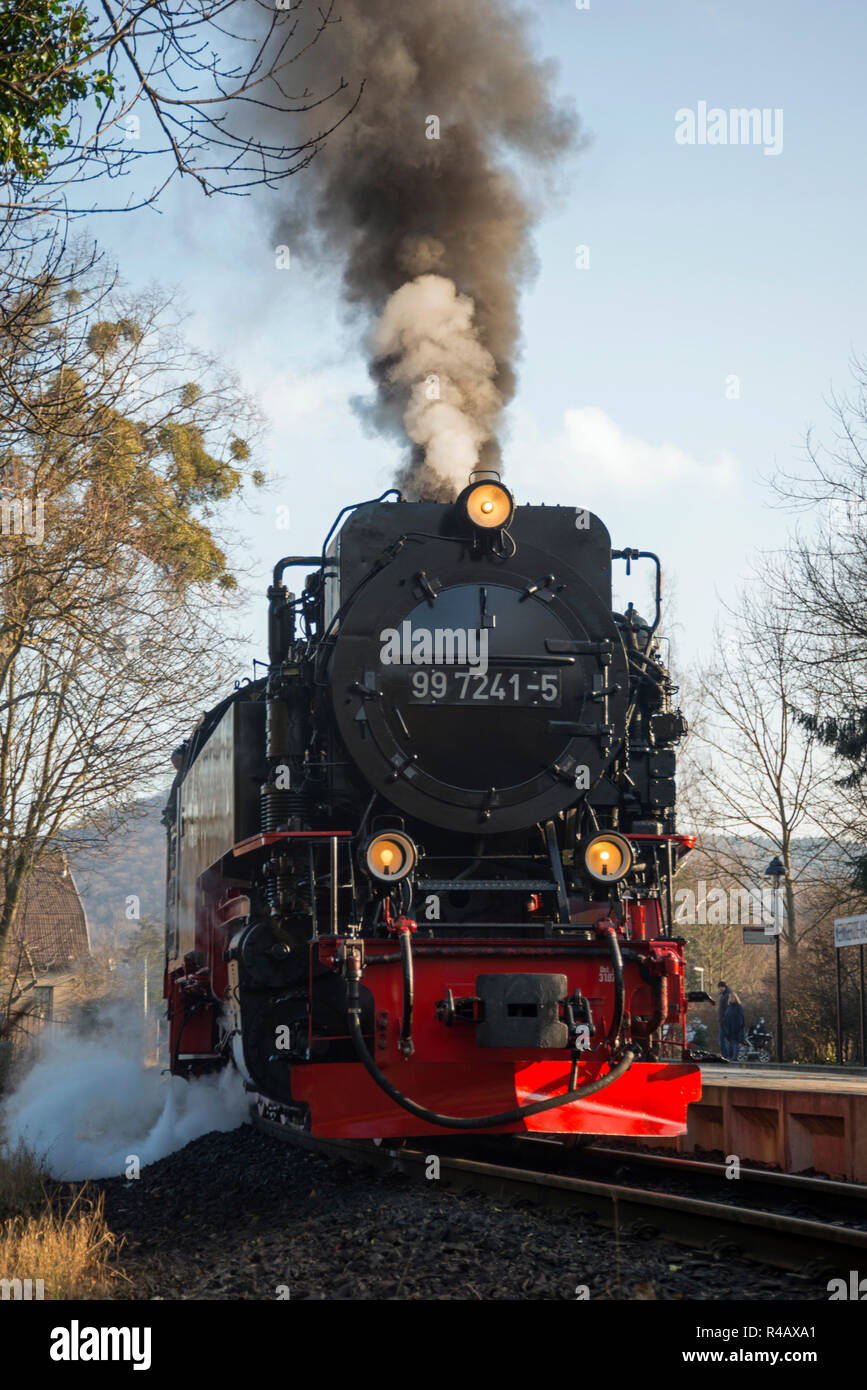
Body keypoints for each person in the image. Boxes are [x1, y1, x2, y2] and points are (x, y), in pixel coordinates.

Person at [721, 990, 746, 1061]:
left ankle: (734, 1057)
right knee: (730, 1044)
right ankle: (730, 1056)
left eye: (733, 997)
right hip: (729, 1029)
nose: (731, 999)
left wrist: (738, 1028)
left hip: (736, 1030)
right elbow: (726, 1018)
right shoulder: (728, 1007)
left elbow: (741, 1019)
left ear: (736, 998)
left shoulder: (738, 1007)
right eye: (730, 997)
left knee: (735, 1044)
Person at [716, 981, 731, 1054]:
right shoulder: (722, 995)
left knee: (722, 1039)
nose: (720, 989)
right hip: (722, 1021)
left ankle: (726, 1055)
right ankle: (726, 1054)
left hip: (725, 1021)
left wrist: (724, 1019)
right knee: (723, 1039)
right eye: (719, 987)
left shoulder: (727, 995)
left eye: (721, 987)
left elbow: (727, 1008)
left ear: (725, 987)